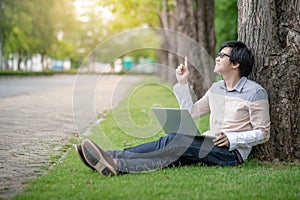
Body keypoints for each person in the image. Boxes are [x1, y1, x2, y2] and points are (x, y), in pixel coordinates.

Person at [74, 41, 270, 176]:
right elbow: (191, 113)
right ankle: (110, 158)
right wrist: (183, 83)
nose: (217, 58)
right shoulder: (216, 88)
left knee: (176, 142)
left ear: (235, 64)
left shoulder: (255, 93)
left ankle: (114, 160)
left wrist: (232, 138)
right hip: (209, 142)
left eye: (222, 55)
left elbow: (263, 133)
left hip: (230, 153)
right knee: (169, 150)